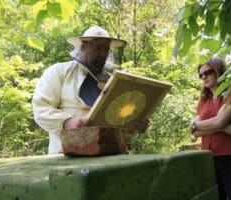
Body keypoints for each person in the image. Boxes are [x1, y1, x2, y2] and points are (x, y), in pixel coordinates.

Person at [32, 26, 147, 156]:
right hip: (67, 159)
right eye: (98, 47)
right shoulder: (59, 71)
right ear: (83, 46)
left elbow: (117, 122)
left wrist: (133, 126)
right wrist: (67, 122)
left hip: (110, 157)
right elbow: (41, 109)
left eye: (106, 49)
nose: (103, 54)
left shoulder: (112, 81)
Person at [190, 57, 231, 200]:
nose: (204, 76)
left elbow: (218, 122)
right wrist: (225, 128)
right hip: (208, 157)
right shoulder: (203, 100)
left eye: (208, 72)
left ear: (219, 71)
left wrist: (201, 125)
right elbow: (195, 132)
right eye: (201, 75)